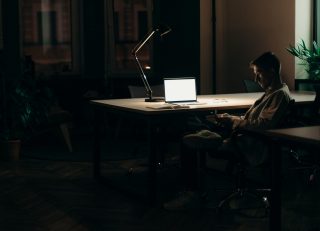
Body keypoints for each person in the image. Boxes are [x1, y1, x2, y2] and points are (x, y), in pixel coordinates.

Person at [164, 51, 292, 210]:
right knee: (195, 123)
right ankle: (192, 181)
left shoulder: (278, 95)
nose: (255, 79)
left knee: (187, 137)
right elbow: (256, 121)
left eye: (258, 74)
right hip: (243, 136)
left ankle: (191, 191)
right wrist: (231, 118)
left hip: (247, 144)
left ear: (271, 72)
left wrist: (233, 121)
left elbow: (261, 125)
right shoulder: (274, 92)